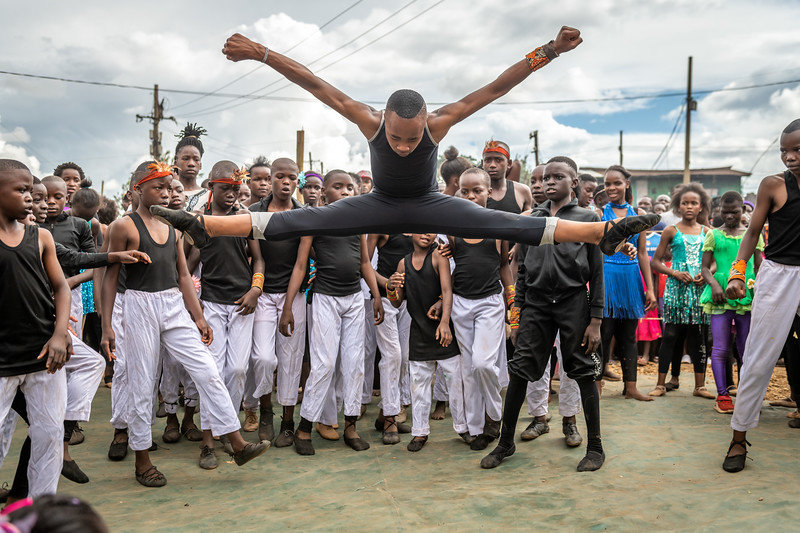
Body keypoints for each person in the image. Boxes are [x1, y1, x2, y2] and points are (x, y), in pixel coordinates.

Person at [152, 28, 658, 255]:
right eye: (394, 137)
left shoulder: (439, 124)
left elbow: (496, 88)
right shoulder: (366, 119)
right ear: (383, 122)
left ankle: (603, 235)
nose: (399, 145)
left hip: (429, 203)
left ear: (426, 127)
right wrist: (260, 52)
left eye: (410, 139)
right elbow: (313, 82)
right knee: (296, 220)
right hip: (377, 203)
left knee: (510, 225)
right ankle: (203, 227)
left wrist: (548, 50)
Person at [100, 161, 268, 487]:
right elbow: (110, 279)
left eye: (168, 187)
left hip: (173, 305)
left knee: (207, 369)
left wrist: (199, 316)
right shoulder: (125, 226)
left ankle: (235, 443)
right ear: (138, 189)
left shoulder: (173, 227)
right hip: (139, 306)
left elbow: (183, 276)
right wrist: (108, 325)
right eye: (157, 187)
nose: (165, 193)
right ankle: (142, 460)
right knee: (142, 381)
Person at [481, 156, 606, 471]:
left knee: (583, 372)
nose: (549, 182)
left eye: (558, 176)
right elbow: (522, 268)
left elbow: (597, 272)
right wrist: (517, 311)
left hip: (573, 300)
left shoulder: (587, 217)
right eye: (545, 177)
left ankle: (595, 448)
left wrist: (595, 320)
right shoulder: (530, 219)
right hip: (535, 303)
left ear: (573, 182)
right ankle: (505, 443)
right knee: (521, 370)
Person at [279, 170, 384, 455]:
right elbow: (300, 265)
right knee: (324, 364)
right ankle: (305, 427)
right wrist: (288, 305)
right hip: (325, 298)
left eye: (350, 187)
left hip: (352, 299)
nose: (346, 192)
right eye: (338, 187)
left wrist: (376, 296)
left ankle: (350, 425)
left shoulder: (358, 223)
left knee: (354, 363)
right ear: (325, 192)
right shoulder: (315, 221)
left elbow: (364, 262)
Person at [722, 119, 800, 472]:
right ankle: (738, 439)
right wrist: (737, 274)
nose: (789, 157)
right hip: (779, 274)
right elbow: (752, 232)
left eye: (797, 150)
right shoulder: (773, 185)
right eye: (785, 150)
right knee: (758, 358)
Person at [187, 161, 265, 469]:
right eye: (225, 189)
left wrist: (256, 290)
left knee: (237, 370)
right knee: (213, 371)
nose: (231, 194)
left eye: (235, 188)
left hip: (243, 303)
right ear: (210, 187)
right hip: (212, 304)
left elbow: (258, 260)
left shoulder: (246, 218)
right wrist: (194, 306)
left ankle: (226, 430)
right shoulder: (201, 221)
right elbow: (189, 264)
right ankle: (208, 440)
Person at [0, 159, 71, 497]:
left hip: (44, 354)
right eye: (21, 190)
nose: (30, 197)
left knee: (49, 434)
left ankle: (40, 507)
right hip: (3, 359)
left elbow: (61, 287)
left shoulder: (40, 236)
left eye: (31, 190)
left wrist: (60, 334)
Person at [37, 175, 106, 484]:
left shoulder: (78, 226)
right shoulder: (30, 228)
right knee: (53, 369)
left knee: (73, 362)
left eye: (57, 197)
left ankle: (66, 431)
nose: (49, 202)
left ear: (68, 198)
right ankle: (57, 445)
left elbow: (88, 264)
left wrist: (67, 284)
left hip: (68, 297)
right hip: (36, 301)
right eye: (43, 197)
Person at [242, 158, 308, 446]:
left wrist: (289, 306)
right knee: (263, 357)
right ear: (270, 179)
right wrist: (259, 290)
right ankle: (265, 409)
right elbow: (258, 259)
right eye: (279, 176)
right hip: (264, 293)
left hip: (294, 295)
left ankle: (288, 420)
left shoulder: (304, 215)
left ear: (297, 181)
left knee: (292, 359)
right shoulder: (255, 212)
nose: (284, 182)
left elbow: (300, 264)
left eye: (290, 177)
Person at [447, 168, 513, 450]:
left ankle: (495, 417)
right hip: (460, 303)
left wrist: (512, 301)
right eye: (465, 191)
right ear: (458, 192)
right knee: (467, 369)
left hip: (489, 302)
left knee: (483, 363)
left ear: (489, 192)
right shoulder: (452, 230)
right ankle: (474, 427)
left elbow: (504, 266)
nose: (471, 196)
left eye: (477, 190)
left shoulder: (497, 226)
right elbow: (447, 271)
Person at [386, 233, 465, 451]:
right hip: (419, 331)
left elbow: (447, 290)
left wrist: (446, 323)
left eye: (430, 230)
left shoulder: (439, 256)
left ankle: (462, 427)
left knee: (455, 382)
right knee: (418, 386)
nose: (426, 234)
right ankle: (420, 432)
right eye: (421, 229)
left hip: (442, 330)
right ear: (410, 232)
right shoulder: (403, 263)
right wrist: (391, 287)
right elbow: (396, 303)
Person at [649, 184, 713, 399]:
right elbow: (655, 262)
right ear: (678, 206)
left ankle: (699, 386)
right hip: (676, 290)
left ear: (701, 206)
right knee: (671, 335)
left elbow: (715, 263)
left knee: (698, 337)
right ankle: (660, 384)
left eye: (693, 203)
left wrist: (707, 274)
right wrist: (675, 273)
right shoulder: (671, 230)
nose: (689, 206)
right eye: (685, 203)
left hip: (698, 290)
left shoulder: (708, 232)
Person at [699, 191, 761, 414]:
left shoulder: (753, 234)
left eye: (734, 212)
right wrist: (715, 285)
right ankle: (723, 395)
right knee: (721, 348)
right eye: (724, 212)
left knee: (746, 349)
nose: (729, 216)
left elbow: (759, 266)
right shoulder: (714, 235)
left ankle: (746, 396)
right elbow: (705, 268)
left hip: (747, 294)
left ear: (743, 210)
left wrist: (759, 293)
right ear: (719, 212)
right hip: (719, 297)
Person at [600, 166, 656, 401]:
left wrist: (650, 288)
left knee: (629, 336)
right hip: (607, 275)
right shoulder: (599, 212)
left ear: (626, 185)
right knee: (604, 332)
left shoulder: (638, 214)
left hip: (632, 279)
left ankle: (630, 387)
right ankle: (597, 384)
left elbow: (643, 253)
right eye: (607, 184)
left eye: (616, 183)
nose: (611, 188)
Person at [484, 140, 532, 213]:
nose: (492, 165)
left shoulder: (522, 191)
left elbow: (529, 222)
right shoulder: (473, 192)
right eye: (488, 160)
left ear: (509, 163)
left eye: (498, 160)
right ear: (482, 163)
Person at [174, 123, 209, 212]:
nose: (191, 164)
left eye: (196, 159)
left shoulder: (209, 197)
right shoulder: (167, 194)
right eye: (185, 159)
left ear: (200, 165)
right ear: (176, 163)